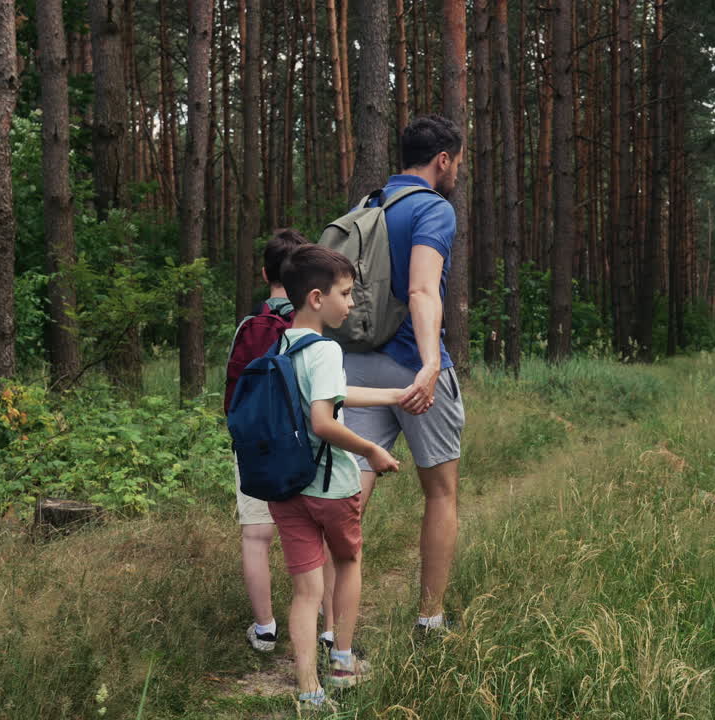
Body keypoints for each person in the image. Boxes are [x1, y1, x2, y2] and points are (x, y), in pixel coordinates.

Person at [343, 114, 465, 635]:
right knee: (440, 492)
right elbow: (421, 289)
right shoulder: (433, 209)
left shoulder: (366, 207)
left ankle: (331, 628)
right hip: (413, 368)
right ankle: (430, 619)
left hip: (357, 364)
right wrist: (431, 362)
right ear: (442, 160)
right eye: (457, 161)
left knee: (350, 497)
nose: (457, 169)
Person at [269, 245, 404, 708]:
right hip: (331, 486)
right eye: (345, 294)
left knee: (305, 590)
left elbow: (335, 393)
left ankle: (308, 688)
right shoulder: (326, 348)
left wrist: (393, 395)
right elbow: (324, 420)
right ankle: (343, 665)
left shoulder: (282, 344)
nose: (350, 303)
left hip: (286, 488)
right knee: (346, 563)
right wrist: (372, 449)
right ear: (315, 297)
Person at [224, 229, 337, 654]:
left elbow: (233, 398)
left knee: (256, 536)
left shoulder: (248, 328)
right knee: (318, 537)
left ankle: (266, 630)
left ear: (265, 272)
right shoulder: (311, 325)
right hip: (306, 452)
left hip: (256, 451)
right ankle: (326, 632)